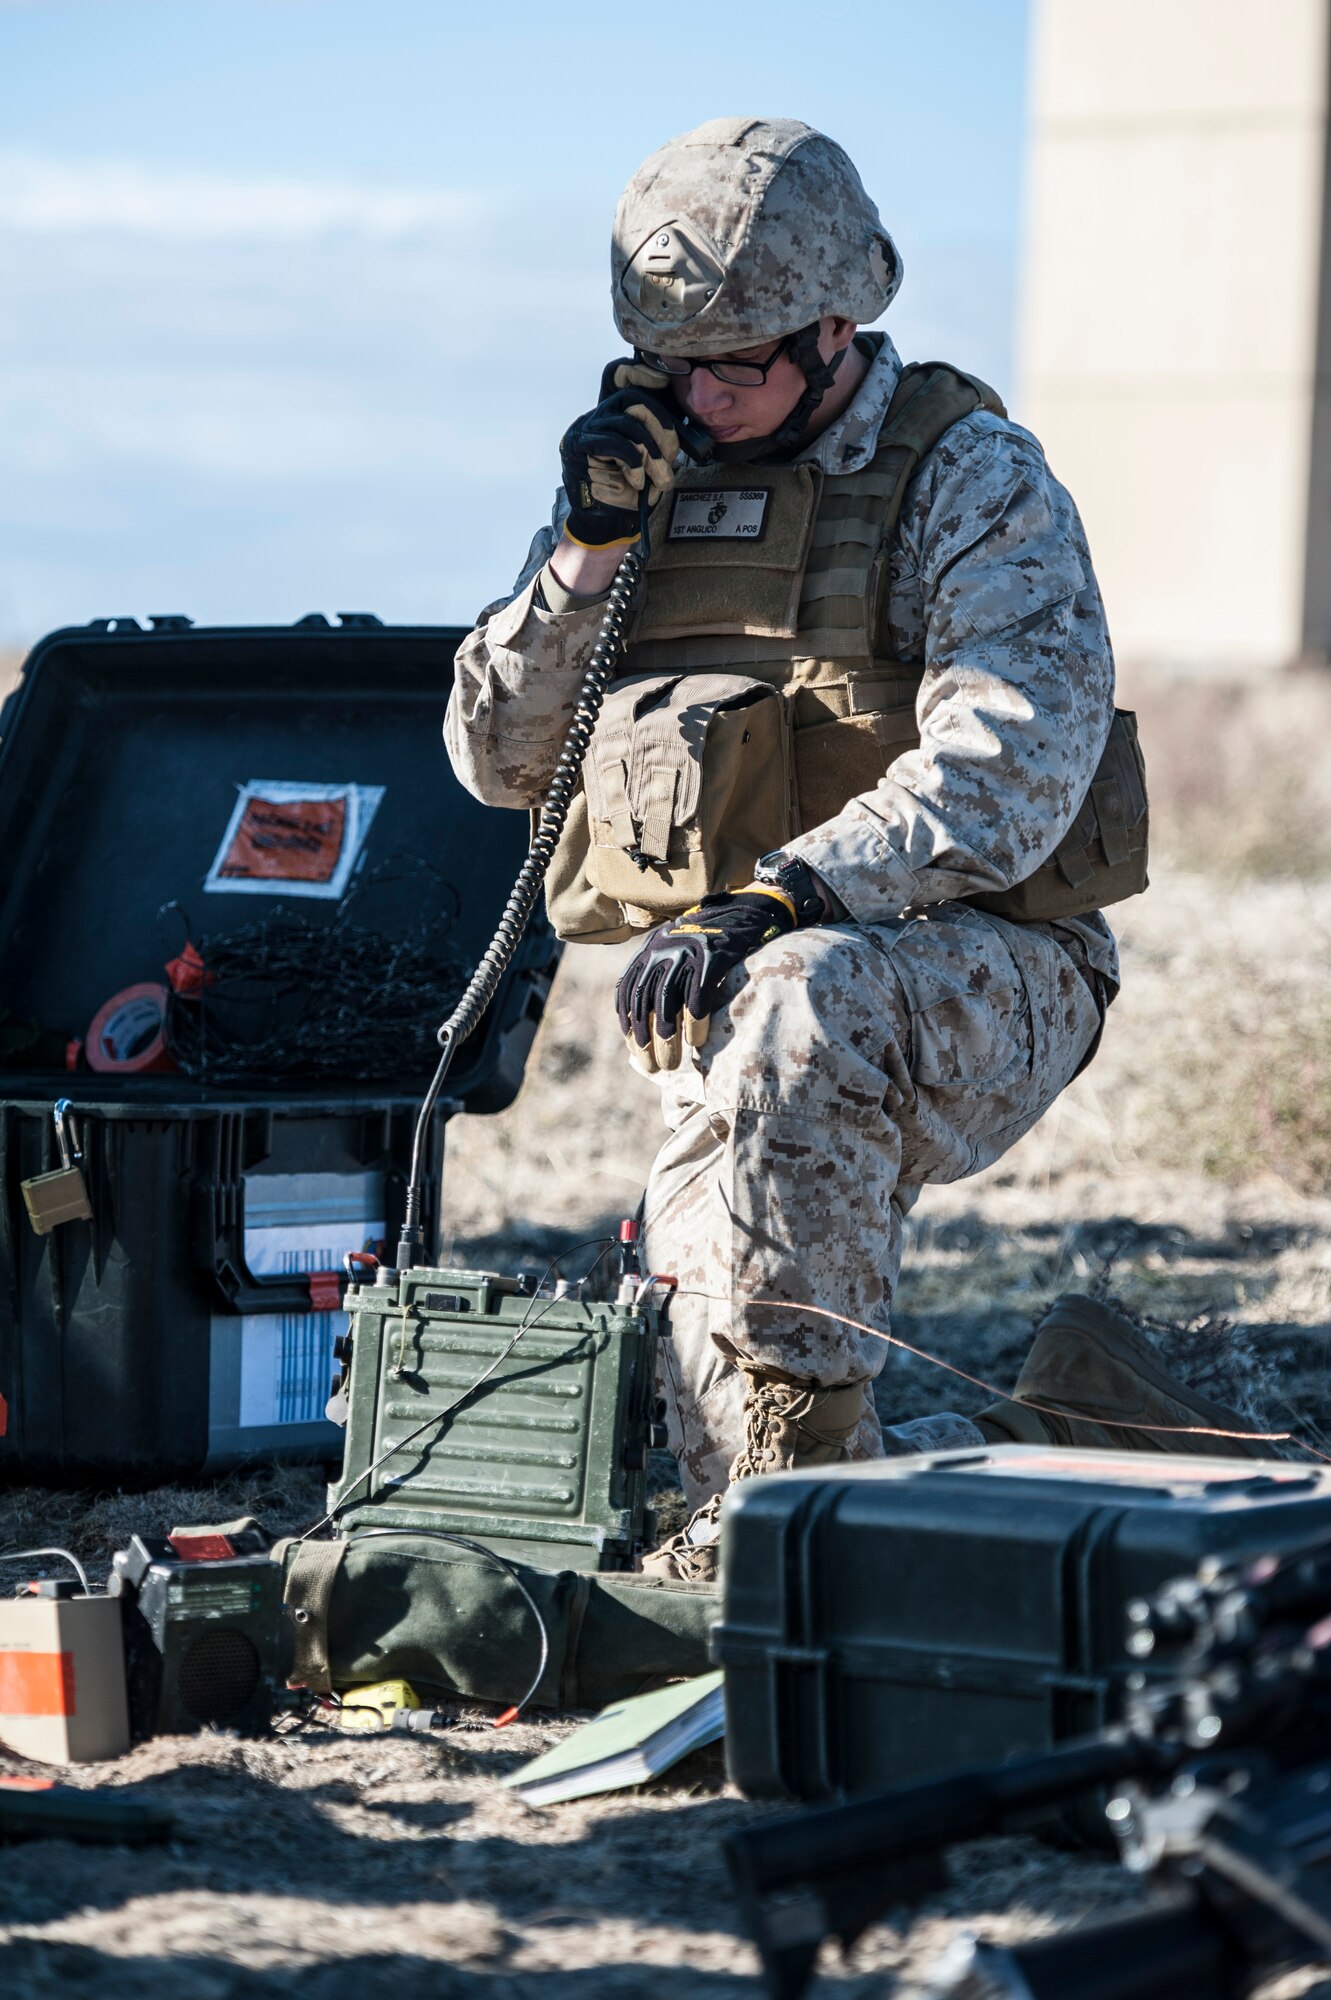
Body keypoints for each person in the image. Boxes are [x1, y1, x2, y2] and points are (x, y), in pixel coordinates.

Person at [445, 117, 1258, 1582]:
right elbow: (499, 763)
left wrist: (784, 893)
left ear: (836, 327)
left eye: (736, 366)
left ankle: (807, 1535)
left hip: (986, 965)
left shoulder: (974, 475)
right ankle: (1052, 1437)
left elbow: (1011, 761)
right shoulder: (649, 481)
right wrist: (581, 556)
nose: (699, 395)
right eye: (672, 364)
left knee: (798, 1011)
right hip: (724, 991)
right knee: (715, 1343)